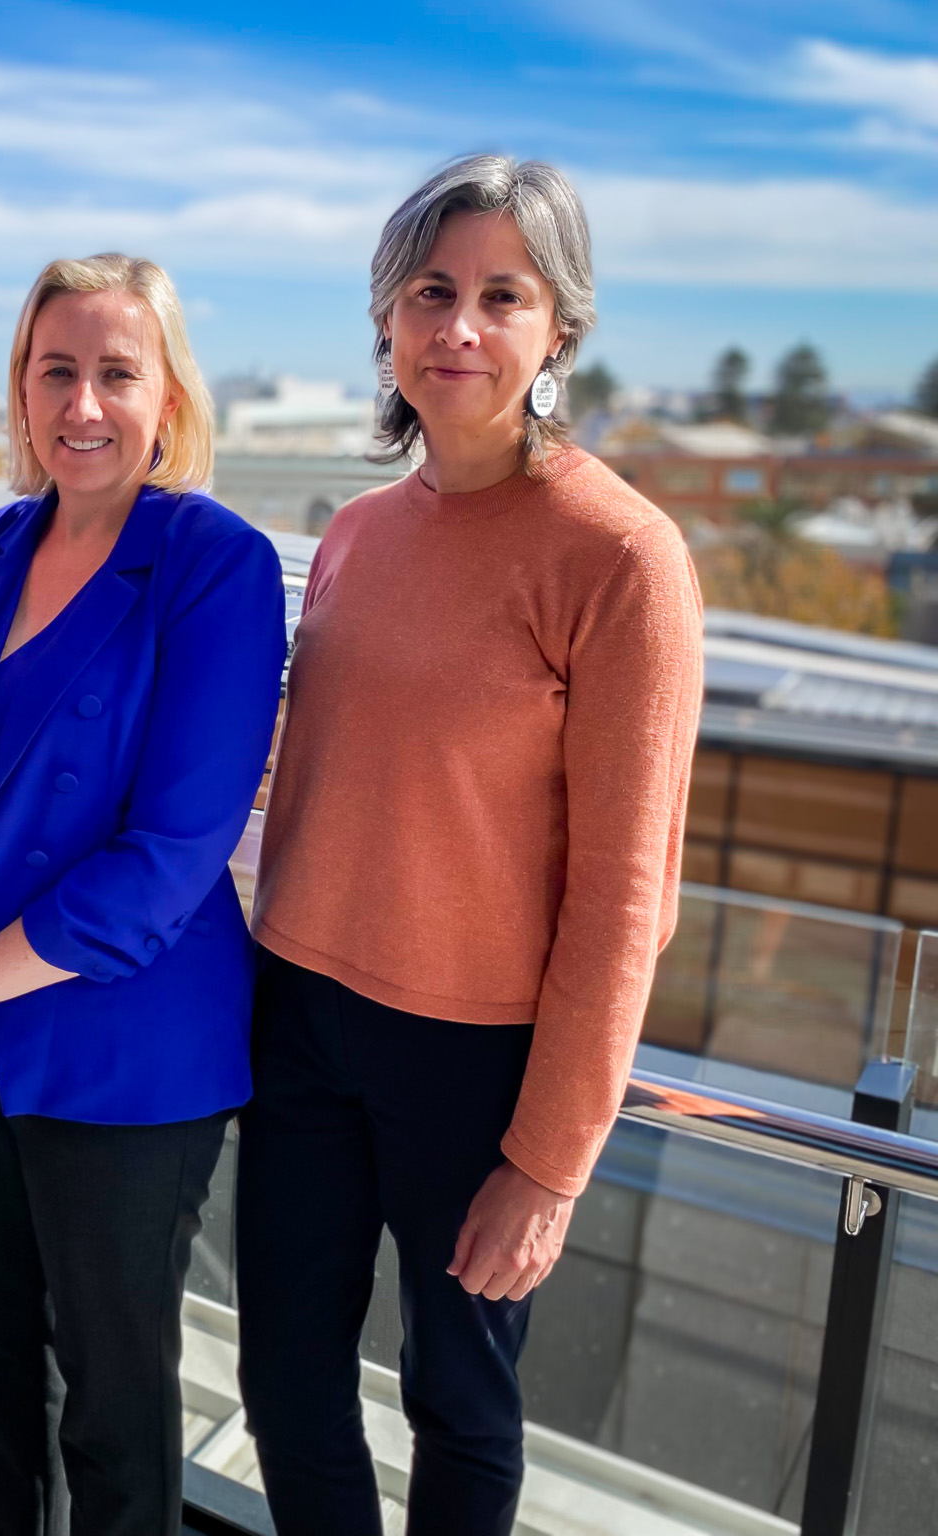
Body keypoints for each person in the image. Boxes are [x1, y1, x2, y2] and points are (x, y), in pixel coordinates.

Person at [238, 155, 704, 1536]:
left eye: (504, 295)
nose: (459, 327)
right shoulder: (357, 534)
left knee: (458, 1400)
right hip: (301, 1016)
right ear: (385, 319)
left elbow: (628, 900)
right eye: (430, 291)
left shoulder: (623, 556)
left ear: (560, 330)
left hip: (477, 1061)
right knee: (287, 1377)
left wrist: (552, 1164)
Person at [0, 254, 287, 1536]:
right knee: (2, 1368)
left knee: (110, 1407)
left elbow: (164, 863)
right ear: (18, 389)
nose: (84, 403)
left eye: (118, 371)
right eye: (55, 370)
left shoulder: (214, 563)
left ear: (167, 395)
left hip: (125, 1048)